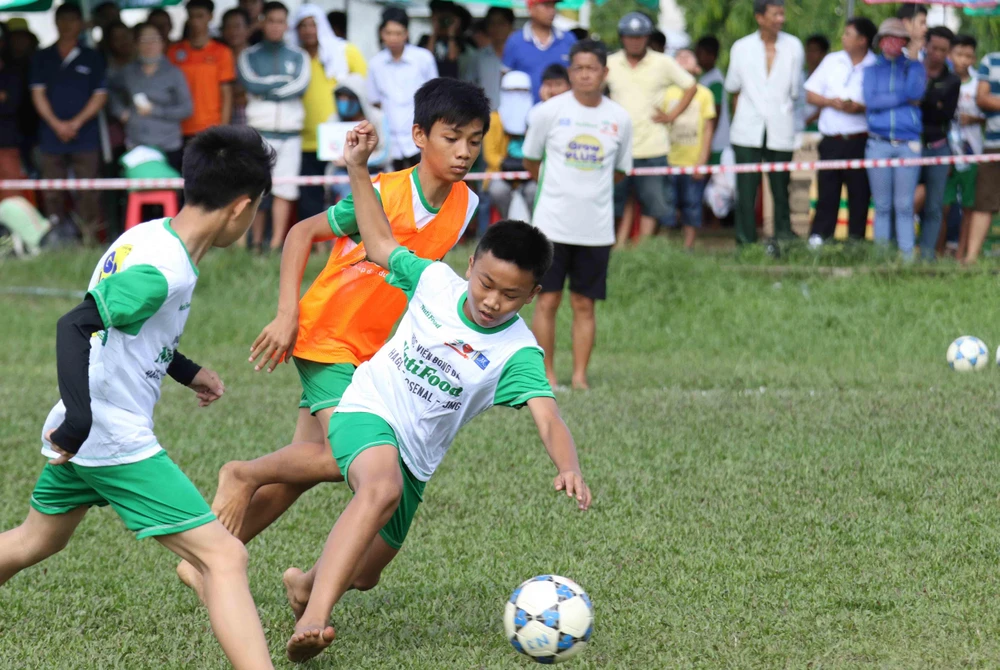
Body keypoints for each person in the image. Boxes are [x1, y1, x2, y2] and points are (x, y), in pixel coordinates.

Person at [280, 119, 590, 662]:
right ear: (470, 265)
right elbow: (378, 241)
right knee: (379, 489)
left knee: (370, 572)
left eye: (510, 295)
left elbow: (547, 417)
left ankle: (305, 584)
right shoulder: (434, 282)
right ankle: (314, 619)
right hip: (368, 408)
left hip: (418, 458)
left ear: (533, 296)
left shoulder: (517, 351)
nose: (492, 300)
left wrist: (569, 466)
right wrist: (357, 169)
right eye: (486, 283)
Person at [173, 79, 489, 603]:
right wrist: (285, 313)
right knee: (349, 459)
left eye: (474, 141)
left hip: (372, 353)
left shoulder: (465, 206)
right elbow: (300, 233)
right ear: (418, 135)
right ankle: (241, 473)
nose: (462, 152)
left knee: (307, 462)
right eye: (451, 137)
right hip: (328, 337)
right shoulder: (384, 191)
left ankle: (208, 558)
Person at [0, 125, 278, 670]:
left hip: (92, 422)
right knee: (224, 556)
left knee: (36, 541)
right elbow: (76, 323)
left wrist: (185, 369)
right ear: (242, 206)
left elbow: (117, 323)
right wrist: (80, 418)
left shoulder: (151, 236)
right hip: (108, 429)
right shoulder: (164, 269)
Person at [524, 39, 632, 391]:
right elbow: (531, 162)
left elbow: (619, 171)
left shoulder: (619, 118)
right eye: (579, 68)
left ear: (605, 72)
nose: (585, 75)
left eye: (592, 68)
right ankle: (548, 375)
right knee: (547, 300)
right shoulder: (548, 112)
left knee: (585, 304)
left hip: (596, 228)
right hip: (551, 226)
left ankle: (581, 377)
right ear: (570, 72)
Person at [606, 11, 696, 247]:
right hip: (617, 146)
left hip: (653, 145)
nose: (635, 40)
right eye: (629, 36)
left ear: (647, 37)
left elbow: (690, 86)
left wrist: (671, 116)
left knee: (654, 204)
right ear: (622, 38)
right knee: (615, 202)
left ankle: (642, 250)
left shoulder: (662, 62)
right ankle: (617, 247)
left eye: (640, 36)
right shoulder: (610, 63)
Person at [725, 0, 804, 247]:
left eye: (782, 14)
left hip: (781, 125)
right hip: (747, 128)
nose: (780, 19)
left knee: (781, 189)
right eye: (775, 14)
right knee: (746, 190)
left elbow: (796, 91)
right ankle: (745, 242)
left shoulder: (793, 46)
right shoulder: (741, 47)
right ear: (760, 17)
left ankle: (782, 239)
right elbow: (733, 88)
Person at [31, 2, 108, 243]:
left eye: (72, 20)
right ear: (55, 22)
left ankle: (89, 239)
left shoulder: (93, 57)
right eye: (62, 19)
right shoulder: (42, 57)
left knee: (88, 191)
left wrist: (75, 123)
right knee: (52, 191)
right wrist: (57, 124)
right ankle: (56, 238)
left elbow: (100, 95)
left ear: (80, 24)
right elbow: (38, 93)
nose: (67, 25)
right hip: (50, 135)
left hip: (85, 135)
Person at [239, 1, 310, 253]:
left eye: (280, 21)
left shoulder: (299, 56)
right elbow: (251, 83)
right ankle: (256, 243)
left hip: (291, 133)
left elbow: (300, 85)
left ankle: (277, 244)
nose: (276, 26)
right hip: (260, 132)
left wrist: (269, 87)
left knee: (285, 190)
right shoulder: (249, 55)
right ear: (262, 22)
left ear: (286, 25)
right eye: (271, 21)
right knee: (257, 189)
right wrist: (281, 84)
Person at [289, 3, 367, 221]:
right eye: (302, 26)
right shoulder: (293, 58)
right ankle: (317, 245)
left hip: (340, 137)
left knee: (342, 194)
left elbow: (363, 88)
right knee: (309, 195)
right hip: (305, 138)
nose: (308, 30)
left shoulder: (345, 51)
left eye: (313, 24)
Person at [804, 17, 877, 245]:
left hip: (860, 140)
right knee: (827, 191)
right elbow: (810, 93)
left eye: (848, 34)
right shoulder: (832, 60)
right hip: (832, 140)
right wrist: (829, 102)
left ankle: (856, 241)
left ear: (862, 40)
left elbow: (880, 102)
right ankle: (820, 238)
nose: (843, 38)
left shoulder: (876, 65)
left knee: (859, 192)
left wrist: (859, 108)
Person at [864, 18, 925, 260]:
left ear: (904, 43)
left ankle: (907, 257)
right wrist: (902, 98)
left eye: (897, 38)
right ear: (880, 42)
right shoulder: (871, 70)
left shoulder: (914, 67)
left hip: (907, 145)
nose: (892, 42)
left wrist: (914, 61)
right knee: (882, 206)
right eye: (888, 37)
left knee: (904, 206)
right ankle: (881, 258)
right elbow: (872, 102)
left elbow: (915, 92)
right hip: (877, 143)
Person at [108, 23, 193, 173]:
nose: (149, 45)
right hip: (137, 143)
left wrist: (155, 111)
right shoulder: (128, 72)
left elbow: (186, 109)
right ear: (136, 44)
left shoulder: (174, 73)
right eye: (144, 40)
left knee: (171, 192)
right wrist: (120, 111)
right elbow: (110, 90)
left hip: (168, 143)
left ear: (162, 43)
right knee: (137, 191)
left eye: (154, 39)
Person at [367, 7, 438, 171]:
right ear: (381, 33)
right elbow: (374, 102)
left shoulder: (423, 58)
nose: (393, 38)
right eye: (388, 33)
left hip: (421, 136)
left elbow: (435, 97)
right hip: (390, 141)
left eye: (398, 33)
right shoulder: (375, 64)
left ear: (406, 33)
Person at [662, 48, 715, 250]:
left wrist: (702, 161)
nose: (683, 58)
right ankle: (665, 246)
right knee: (667, 206)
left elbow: (708, 130)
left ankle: (688, 247)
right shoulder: (666, 94)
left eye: (688, 56)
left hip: (693, 161)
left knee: (692, 205)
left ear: (697, 67)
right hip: (669, 160)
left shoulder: (704, 94)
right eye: (679, 56)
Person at [916, 26, 959, 260]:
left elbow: (946, 115)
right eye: (934, 48)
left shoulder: (952, 80)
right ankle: (897, 252)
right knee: (904, 203)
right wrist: (934, 101)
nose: (937, 54)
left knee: (934, 206)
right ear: (926, 46)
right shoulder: (913, 70)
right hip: (911, 145)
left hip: (938, 146)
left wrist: (923, 98)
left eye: (943, 50)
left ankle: (927, 256)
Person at [168, 0, 235, 142]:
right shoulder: (174, 52)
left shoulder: (222, 52)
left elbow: (226, 94)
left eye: (200, 16)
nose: (195, 21)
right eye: (192, 16)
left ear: (210, 17)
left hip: (212, 127)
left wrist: (223, 128)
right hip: (179, 127)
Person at [944, 35, 983, 260]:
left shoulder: (979, 83)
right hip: (946, 152)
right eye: (959, 54)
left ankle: (961, 255)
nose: (963, 60)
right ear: (951, 55)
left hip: (972, 152)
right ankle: (937, 252)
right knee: (944, 205)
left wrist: (974, 120)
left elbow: (987, 116)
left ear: (974, 58)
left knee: (969, 205)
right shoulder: (944, 79)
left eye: (968, 55)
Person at [327, 74, 389, 203]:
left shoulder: (377, 118)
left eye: (349, 97)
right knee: (348, 197)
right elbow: (329, 151)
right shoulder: (333, 120)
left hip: (375, 172)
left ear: (360, 98)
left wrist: (357, 160)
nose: (344, 101)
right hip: (343, 174)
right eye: (341, 98)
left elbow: (386, 154)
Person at [502, 0, 576, 102]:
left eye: (553, 5)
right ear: (531, 9)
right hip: (525, 114)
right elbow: (505, 79)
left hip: (561, 113)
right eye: (546, 5)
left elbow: (576, 75)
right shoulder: (515, 41)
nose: (552, 11)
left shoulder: (568, 39)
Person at [485, 70, 536, 218]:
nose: (517, 96)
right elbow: (490, 155)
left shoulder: (535, 117)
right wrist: (505, 164)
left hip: (530, 173)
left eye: (522, 91)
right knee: (498, 191)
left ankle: (536, 226)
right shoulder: (494, 119)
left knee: (534, 191)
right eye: (512, 91)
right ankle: (506, 223)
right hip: (500, 172)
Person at [967, 43, 1000, 263]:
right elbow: (982, 98)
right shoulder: (991, 60)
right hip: (994, 144)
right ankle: (970, 260)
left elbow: (989, 98)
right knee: (984, 201)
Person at [467, 6, 514, 111]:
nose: (496, 28)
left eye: (501, 23)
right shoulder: (477, 57)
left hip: (516, 117)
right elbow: (468, 89)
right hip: (488, 117)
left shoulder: (520, 55)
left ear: (510, 26)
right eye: (492, 23)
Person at [695, 35, 730, 166]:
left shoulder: (714, 81)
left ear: (711, 55)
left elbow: (715, 112)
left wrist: (707, 144)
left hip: (715, 144)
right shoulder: (707, 78)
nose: (697, 57)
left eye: (700, 53)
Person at [419, 0, 469, 80]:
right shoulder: (426, 39)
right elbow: (426, 57)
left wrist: (451, 32)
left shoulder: (457, 40)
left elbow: (452, 58)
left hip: (450, 83)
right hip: (430, 83)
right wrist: (434, 32)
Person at [221, 8, 251, 126]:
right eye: (228, 27)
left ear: (248, 29)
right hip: (223, 121)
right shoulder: (218, 57)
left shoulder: (256, 57)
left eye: (237, 26)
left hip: (251, 122)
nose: (232, 31)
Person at [800, 34, 830, 132]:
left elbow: (828, 104)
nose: (810, 54)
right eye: (808, 50)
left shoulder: (829, 78)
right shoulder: (800, 75)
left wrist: (808, 121)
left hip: (818, 126)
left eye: (814, 50)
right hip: (799, 124)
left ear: (823, 54)